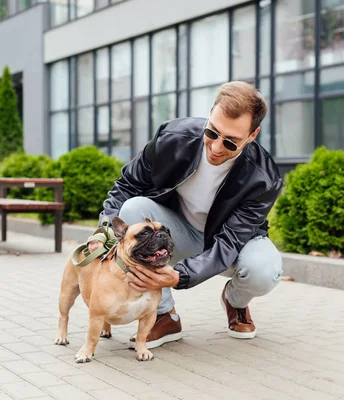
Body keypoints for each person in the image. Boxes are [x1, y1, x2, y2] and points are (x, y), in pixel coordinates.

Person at [91, 81, 283, 348]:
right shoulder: (172, 137)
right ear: (210, 114)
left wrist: (182, 276)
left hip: (231, 243)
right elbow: (126, 186)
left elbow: (229, 242)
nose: (216, 148)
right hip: (179, 231)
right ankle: (164, 315)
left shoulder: (264, 179)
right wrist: (104, 234)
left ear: (252, 135)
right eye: (212, 132)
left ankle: (235, 301)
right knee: (133, 208)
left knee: (265, 271)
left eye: (230, 142)